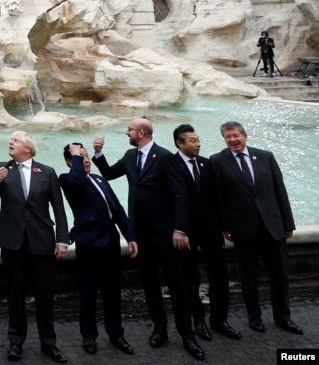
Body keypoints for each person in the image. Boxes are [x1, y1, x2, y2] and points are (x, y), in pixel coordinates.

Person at [92, 117, 204, 361]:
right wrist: (98, 155)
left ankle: (187, 335)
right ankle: (159, 328)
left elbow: (179, 195)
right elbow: (110, 174)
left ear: (141, 133)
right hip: (140, 235)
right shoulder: (131, 157)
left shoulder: (165, 157)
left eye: (129, 130)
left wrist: (180, 230)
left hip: (166, 235)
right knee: (150, 285)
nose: (126, 133)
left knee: (178, 285)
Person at [210, 121, 301, 335]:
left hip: (273, 226)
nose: (232, 140)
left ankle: (283, 317)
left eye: (235, 136)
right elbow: (220, 198)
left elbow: (280, 191)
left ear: (245, 136)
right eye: (228, 137)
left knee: (280, 275)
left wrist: (288, 222)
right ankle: (254, 317)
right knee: (248, 277)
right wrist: (225, 226)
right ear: (224, 139)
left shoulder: (265, 156)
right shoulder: (217, 161)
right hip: (242, 229)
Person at [0, 132, 69, 363]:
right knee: (15, 294)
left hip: (42, 243)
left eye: (16, 141)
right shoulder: (2, 168)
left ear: (28, 149)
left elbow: (59, 210)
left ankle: (49, 343)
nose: (11, 143)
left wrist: (62, 240)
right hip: (13, 243)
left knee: (45, 295)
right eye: (10, 140)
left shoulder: (47, 172)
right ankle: (15, 342)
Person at [58, 143, 138, 356]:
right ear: (70, 161)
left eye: (86, 156)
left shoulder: (101, 180)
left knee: (113, 292)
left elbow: (117, 209)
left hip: (110, 241)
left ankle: (116, 334)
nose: (86, 160)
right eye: (79, 157)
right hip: (89, 243)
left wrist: (130, 236)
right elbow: (78, 182)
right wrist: (75, 157)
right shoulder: (67, 179)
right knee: (88, 292)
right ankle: (89, 336)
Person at [172, 124, 242, 342]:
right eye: (193, 140)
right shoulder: (170, 165)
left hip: (211, 230)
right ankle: (198, 320)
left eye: (198, 139)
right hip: (186, 233)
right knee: (190, 279)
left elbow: (217, 196)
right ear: (179, 143)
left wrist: (225, 225)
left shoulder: (207, 163)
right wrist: (177, 229)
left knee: (219, 277)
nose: (198, 144)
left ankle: (219, 320)